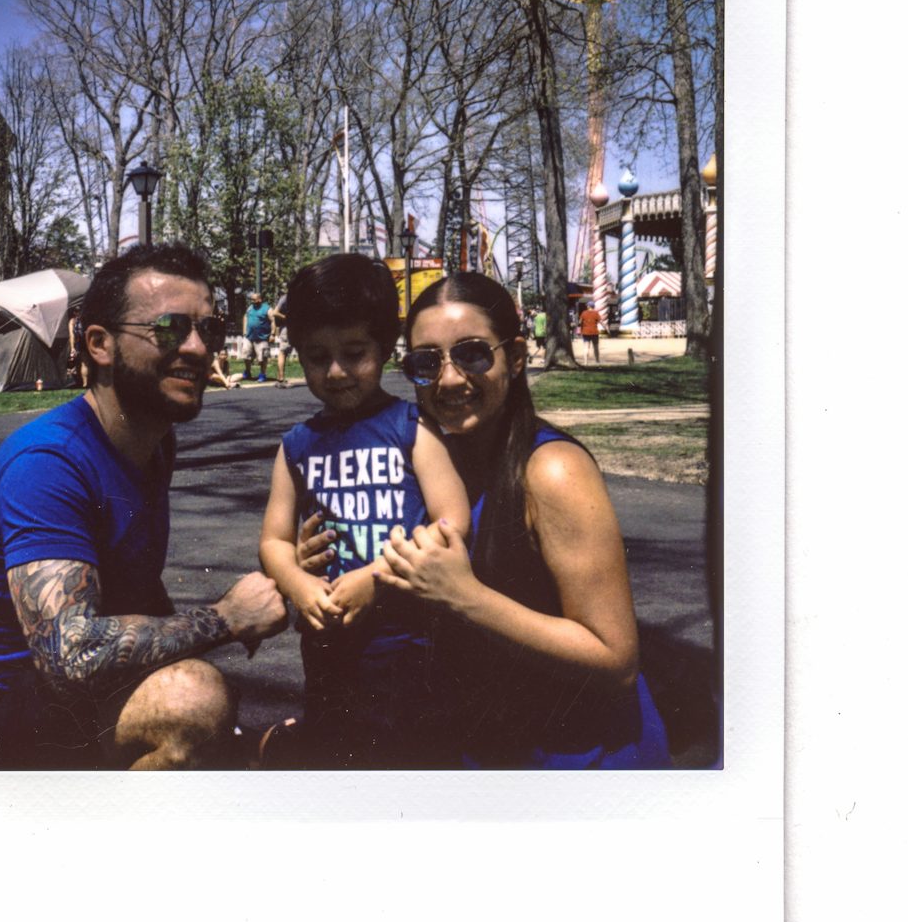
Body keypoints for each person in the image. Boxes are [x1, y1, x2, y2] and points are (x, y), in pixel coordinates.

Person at [0, 242, 288, 771]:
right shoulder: (50, 463)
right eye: (170, 329)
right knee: (191, 701)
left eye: (210, 330)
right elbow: (70, 654)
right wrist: (226, 617)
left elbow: (137, 591)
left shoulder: (152, 442)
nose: (199, 349)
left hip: (67, 702)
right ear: (99, 344)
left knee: (205, 701)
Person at [374, 272, 669, 769]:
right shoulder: (436, 467)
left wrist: (463, 596)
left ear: (514, 358)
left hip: (579, 767)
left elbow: (616, 659)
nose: (448, 379)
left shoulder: (553, 472)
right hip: (487, 751)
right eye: (425, 363)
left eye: (472, 354)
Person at [258, 254, 471, 768]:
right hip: (328, 645)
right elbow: (273, 540)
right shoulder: (297, 444)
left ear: (385, 349)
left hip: (409, 644)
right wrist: (296, 583)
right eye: (316, 356)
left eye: (354, 353)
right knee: (336, 756)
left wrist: (376, 577)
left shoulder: (410, 426)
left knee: (408, 761)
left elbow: (451, 521)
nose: (334, 372)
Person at [243, 291, 273, 382]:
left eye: (254, 299)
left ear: (260, 299)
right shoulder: (250, 308)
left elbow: (273, 321)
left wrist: (273, 334)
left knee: (262, 358)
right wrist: (244, 331)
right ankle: (248, 372)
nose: (252, 301)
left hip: (262, 338)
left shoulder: (267, 309)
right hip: (249, 337)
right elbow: (245, 317)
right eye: (251, 299)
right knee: (245, 355)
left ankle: (262, 374)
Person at [269, 293, 291, 385]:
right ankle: (281, 378)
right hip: (287, 327)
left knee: (284, 352)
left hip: (294, 327)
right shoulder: (285, 298)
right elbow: (275, 312)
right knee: (283, 351)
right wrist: (287, 318)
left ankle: (280, 377)